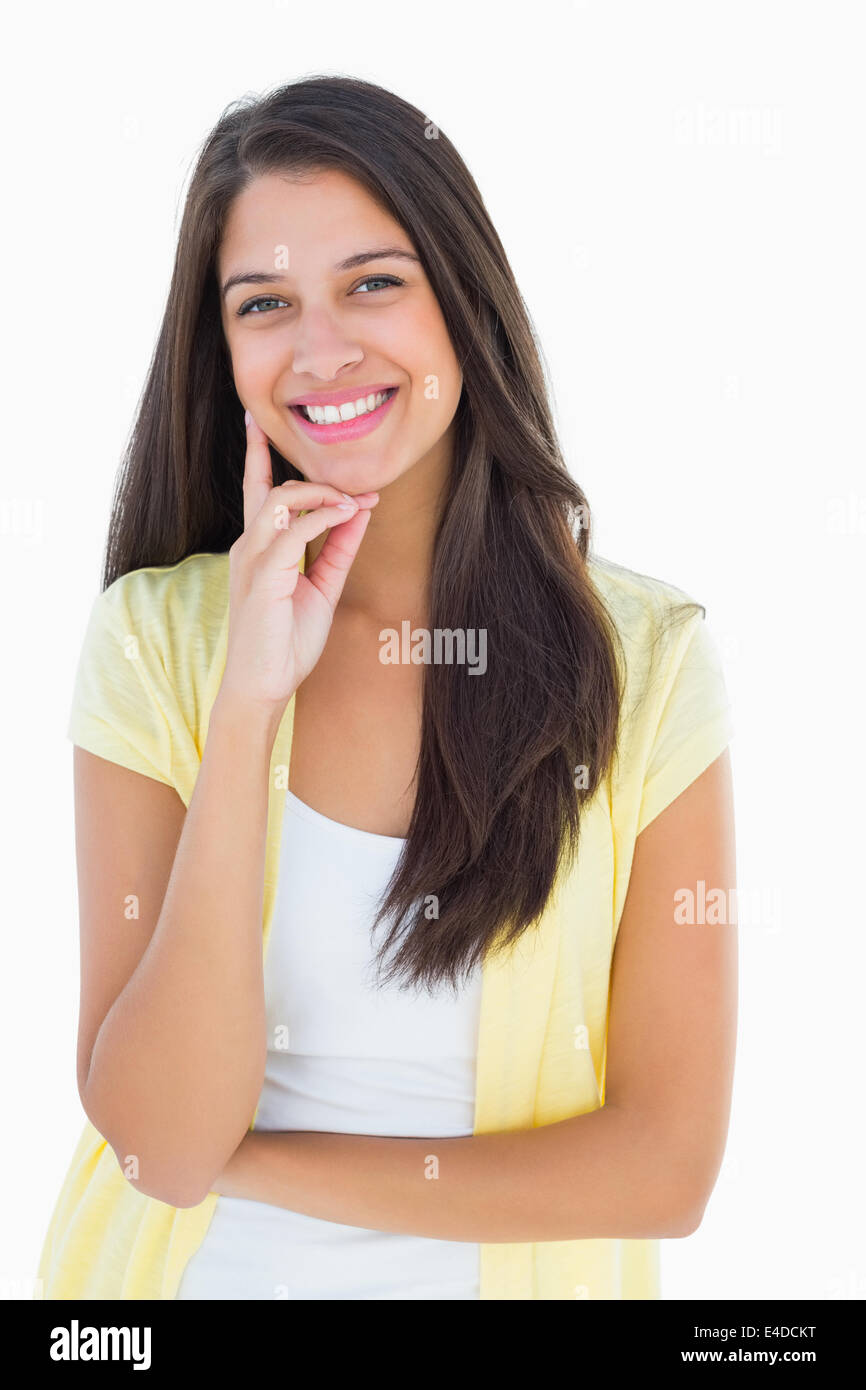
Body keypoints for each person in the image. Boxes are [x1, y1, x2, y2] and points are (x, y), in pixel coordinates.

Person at [36, 74, 737, 1301]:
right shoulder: (156, 642)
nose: (322, 348)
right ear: (224, 351)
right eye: (264, 303)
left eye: (373, 282)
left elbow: (664, 1169)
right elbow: (157, 1131)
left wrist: (246, 1162)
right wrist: (250, 699)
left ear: (461, 300)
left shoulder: (649, 659)